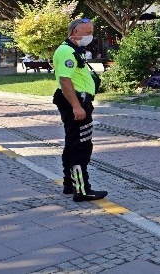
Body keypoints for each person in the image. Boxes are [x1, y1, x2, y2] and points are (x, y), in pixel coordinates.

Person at [52, 18, 107, 202]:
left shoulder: (73, 49)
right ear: (75, 32)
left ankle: (70, 184)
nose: (90, 36)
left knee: (72, 144)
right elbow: (65, 81)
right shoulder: (67, 51)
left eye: (91, 31)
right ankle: (82, 190)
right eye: (87, 32)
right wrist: (77, 106)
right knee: (80, 147)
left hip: (77, 100)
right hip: (76, 102)